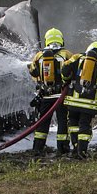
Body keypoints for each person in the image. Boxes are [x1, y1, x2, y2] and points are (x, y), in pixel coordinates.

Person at [62, 41, 97, 159]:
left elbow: (65, 69)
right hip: (89, 104)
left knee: (73, 124)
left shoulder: (77, 57)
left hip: (73, 101)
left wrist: (68, 79)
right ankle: (82, 151)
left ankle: (75, 147)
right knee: (84, 125)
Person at [28, 28, 73, 156]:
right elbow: (73, 70)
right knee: (63, 122)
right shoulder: (66, 54)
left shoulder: (39, 56)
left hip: (46, 95)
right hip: (62, 96)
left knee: (42, 123)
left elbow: (33, 72)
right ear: (61, 39)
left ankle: (37, 149)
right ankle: (62, 149)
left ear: (46, 40)